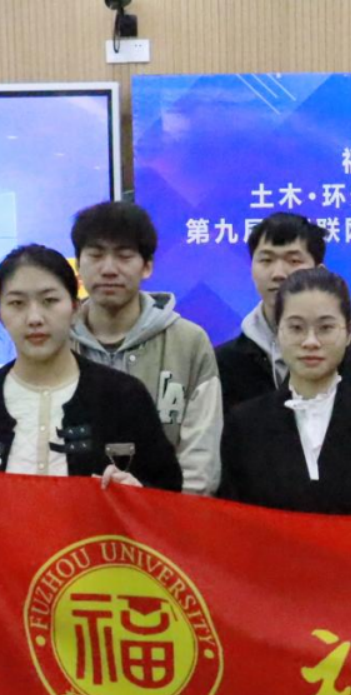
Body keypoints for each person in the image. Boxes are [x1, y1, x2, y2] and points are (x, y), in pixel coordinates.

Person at [0, 245, 182, 511]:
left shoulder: (123, 396)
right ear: (0, 314)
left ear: (75, 308)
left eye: (49, 301)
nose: (34, 318)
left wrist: (138, 494)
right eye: (17, 303)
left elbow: (169, 495)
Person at [219, 267, 351, 515]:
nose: (311, 341)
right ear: (278, 331)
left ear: (349, 332)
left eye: (325, 328)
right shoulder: (245, 425)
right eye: (296, 328)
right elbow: (234, 521)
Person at [69, 201, 223, 495]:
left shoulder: (189, 341)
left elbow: (201, 458)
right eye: (96, 255)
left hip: (166, 515)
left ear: (147, 266)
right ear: (78, 264)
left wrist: (166, 515)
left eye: (124, 256)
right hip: (72, 514)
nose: (109, 269)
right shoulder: (58, 341)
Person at [217, 213, 351, 414]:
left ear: (319, 271)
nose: (278, 274)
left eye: (294, 260)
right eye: (266, 260)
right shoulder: (225, 362)